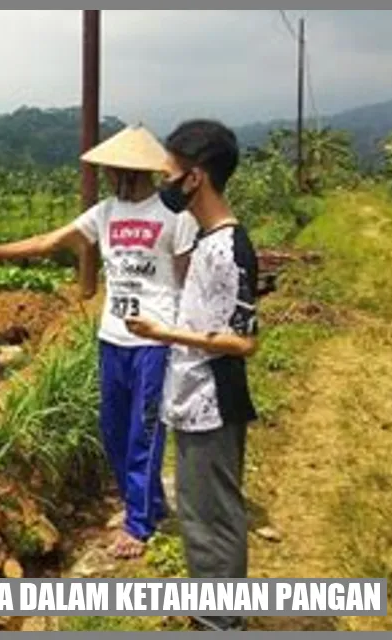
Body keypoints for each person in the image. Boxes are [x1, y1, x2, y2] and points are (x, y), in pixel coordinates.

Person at [0, 125, 198, 559]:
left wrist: (185, 337)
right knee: (113, 430)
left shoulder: (175, 216)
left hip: (155, 341)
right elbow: (49, 242)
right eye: (108, 170)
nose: (110, 177)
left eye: (115, 170)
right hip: (112, 338)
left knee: (145, 431)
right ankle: (147, 504)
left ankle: (138, 525)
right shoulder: (105, 213)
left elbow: (188, 280)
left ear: (135, 171)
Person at [124, 119, 258, 632]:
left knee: (213, 518)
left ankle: (221, 622)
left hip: (213, 402)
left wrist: (165, 333)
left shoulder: (228, 247)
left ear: (195, 177)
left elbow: (243, 341)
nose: (165, 185)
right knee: (199, 515)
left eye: (170, 175)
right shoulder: (206, 241)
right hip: (192, 398)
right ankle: (212, 614)